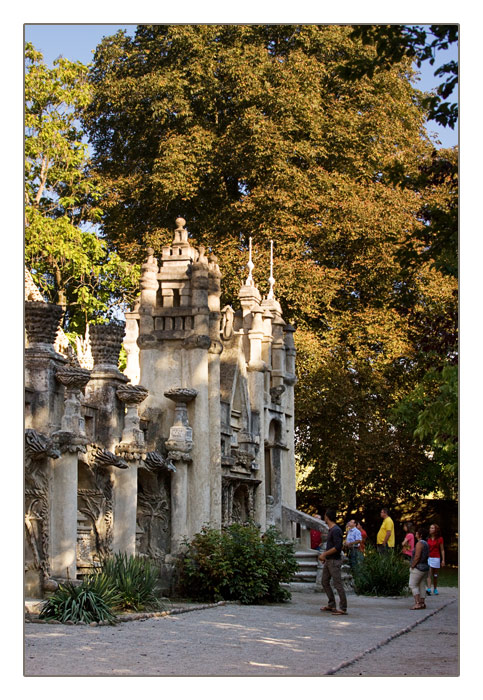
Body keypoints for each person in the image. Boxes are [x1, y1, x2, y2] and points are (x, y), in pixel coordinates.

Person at [318, 508, 347, 615]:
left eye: (325, 515)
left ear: (327, 517)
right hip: (329, 560)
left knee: (338, 584)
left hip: (334, 561)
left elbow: (338, 547)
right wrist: (325, 557)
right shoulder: (331, 530)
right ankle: (331, 604)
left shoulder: (336, 530)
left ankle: (343, 608)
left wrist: (324, 554)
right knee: (324, 581)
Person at [409, 526, 430, 609]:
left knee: (413, 585)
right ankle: (422, 603)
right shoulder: (426, 543)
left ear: (420, 535)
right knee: (422, 585)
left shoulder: (419, 543)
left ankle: (417, 603)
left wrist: (413, 565)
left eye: (417, 533)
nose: (415, 534)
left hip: (418, 567)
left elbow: (417, 556)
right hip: (425, 567)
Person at [426, 524, 445, 595]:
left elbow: (442, 550)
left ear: (435, 530)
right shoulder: (428, 538)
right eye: (430, 528)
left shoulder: (440, 539)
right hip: (429, 557)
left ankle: (435, 588)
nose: (430, 529)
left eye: (432, 528)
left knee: (435, 575)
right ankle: (428, 588)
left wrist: (443, 560)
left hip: (436, 558)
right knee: (429, 573)